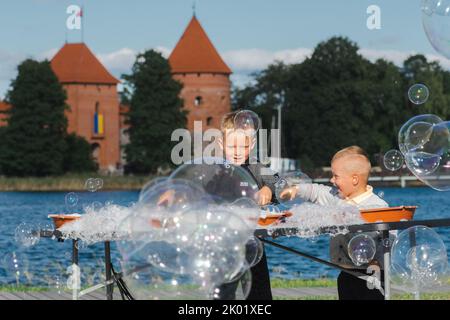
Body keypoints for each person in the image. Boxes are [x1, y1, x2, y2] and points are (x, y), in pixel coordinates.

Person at [280, 146, 388, 300]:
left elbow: (389, 235)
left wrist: (377, 261)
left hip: (372, 273)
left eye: (336, 176)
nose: (331, 180)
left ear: (354, 179)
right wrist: (296, 189)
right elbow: (315, 191)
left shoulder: (377, 205)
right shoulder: (336, 198)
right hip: (346, 272)